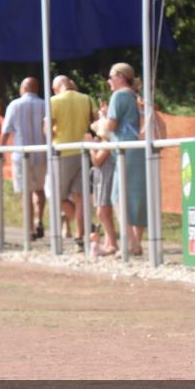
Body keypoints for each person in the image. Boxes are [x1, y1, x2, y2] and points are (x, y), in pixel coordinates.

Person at [45, 75, 97, 249]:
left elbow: (47, 131)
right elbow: (96, 122)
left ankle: (81, 229)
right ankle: (81, 235)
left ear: (55, 87)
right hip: (83, 152)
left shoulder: (54, 101)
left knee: (56, 196)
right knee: (81, 197)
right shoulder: (86, 99)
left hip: (63, 152)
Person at [103, 63, 147, 255]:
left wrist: (101, 122)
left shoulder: (119, 95)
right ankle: (136, 243)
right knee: (136, 197)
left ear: (121, 77)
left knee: (118, 198)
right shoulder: (134, 96)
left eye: (111, 76)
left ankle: (130, 244)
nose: (109, 81)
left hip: (125, 151)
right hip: (138, 150)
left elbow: (110, 125)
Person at [0, 77, 47, 240]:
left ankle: (29, 229)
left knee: (25, 192)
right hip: (41, 154)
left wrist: (1, 149)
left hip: (21, 156)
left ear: (22, 89)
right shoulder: (45, 104)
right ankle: (39, 219)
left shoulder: (14, 105)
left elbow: (6, 130)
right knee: (40, 189)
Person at [86, 108, 119, 256]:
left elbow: (97, 161)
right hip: (105, 175)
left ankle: (112, 243)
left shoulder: (108, 140)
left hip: (107, 175)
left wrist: (90, 147)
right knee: (105, 211)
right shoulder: (107, 140)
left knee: (102, 211)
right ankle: (108, 242)